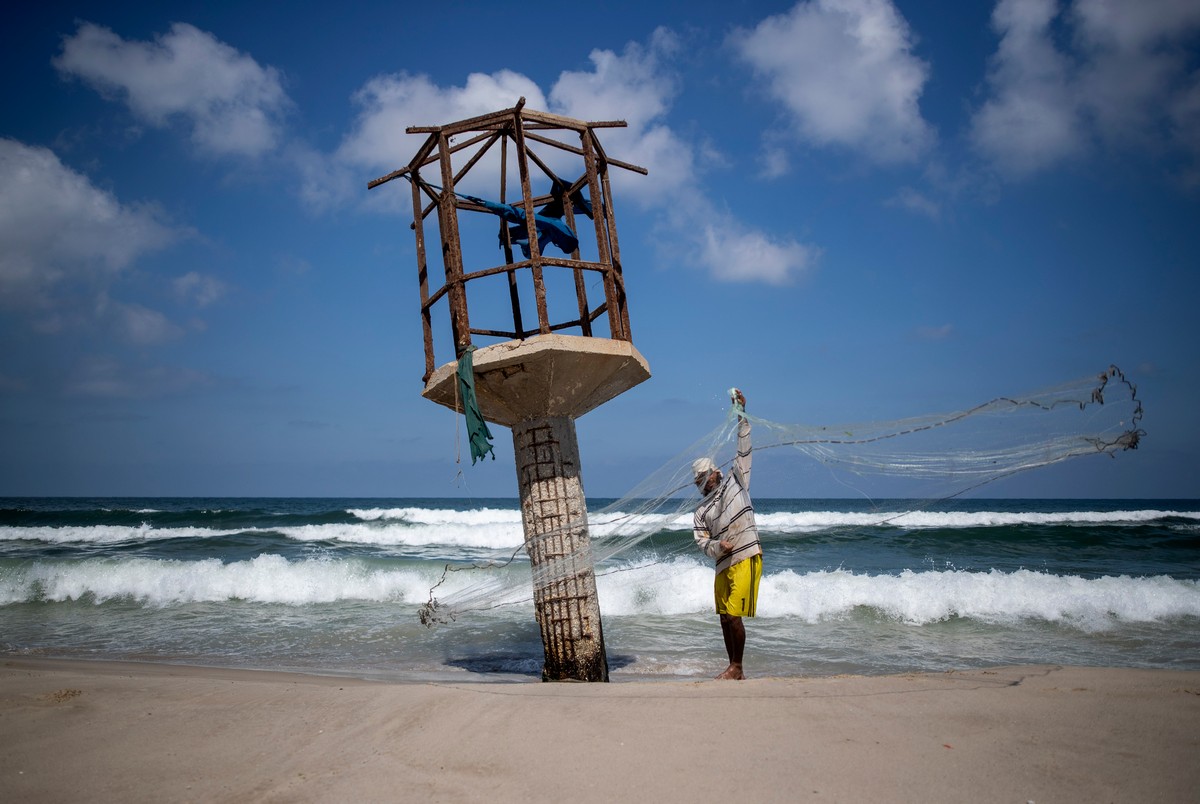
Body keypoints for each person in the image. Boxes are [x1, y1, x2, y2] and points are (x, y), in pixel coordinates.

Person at [692, 388, 762, 680]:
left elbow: (743, 448)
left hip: (745, 554)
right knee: (723, 617)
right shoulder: (700, 511)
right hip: (723, 564)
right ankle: (734, 668)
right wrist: (718, 546)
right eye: (698, 480)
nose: (702, 482)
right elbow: (701, 542)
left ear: (715, 473)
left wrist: (742, 416)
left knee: (734, 615)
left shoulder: (737, 479)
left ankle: (738, 667)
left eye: (704, 476)